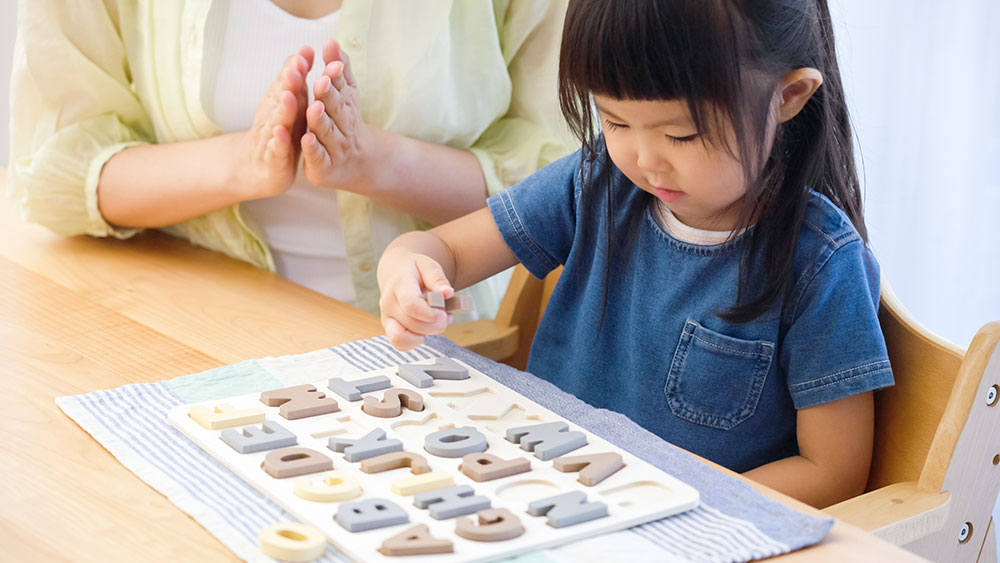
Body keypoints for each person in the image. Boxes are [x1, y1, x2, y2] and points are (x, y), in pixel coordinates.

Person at [376, 0, 894, 508]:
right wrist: (407, 269)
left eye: (680, 134)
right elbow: (445, 248)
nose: (645, 160)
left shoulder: (821, 264)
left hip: (684, 527)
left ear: (789, 95)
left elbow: (832, 472)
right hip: (533, 492)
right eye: (615, 121)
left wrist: (677, 501)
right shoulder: (595, 181)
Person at [7, 0, 572, 316]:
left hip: (439, 355)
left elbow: (573, 189)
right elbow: (54, 175)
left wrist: (372, 162)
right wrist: (247, 163)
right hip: (182, 332)